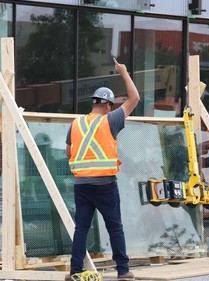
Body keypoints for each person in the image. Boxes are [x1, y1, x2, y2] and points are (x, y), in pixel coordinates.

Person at [65, 58, 140, 281]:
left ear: (93, 103)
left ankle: (75, 271)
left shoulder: (76, 124)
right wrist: (124, 72)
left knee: (82, 229)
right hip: (105, 184)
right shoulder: (111, 120)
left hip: (82, 185)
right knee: (115, 227)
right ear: (108, 106)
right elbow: (135, 98)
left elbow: (69, 152)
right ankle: (123, 271)